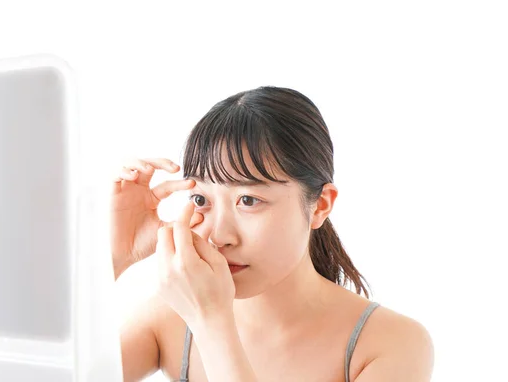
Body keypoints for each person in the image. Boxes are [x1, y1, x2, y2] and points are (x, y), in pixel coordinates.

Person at [111, 86, 434, 382]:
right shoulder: (166, 318)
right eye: (201, 199)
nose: (219, 236)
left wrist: (211, 322)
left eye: (248, 200)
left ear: (320, 205)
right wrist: (112, 257)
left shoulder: (389, 342)